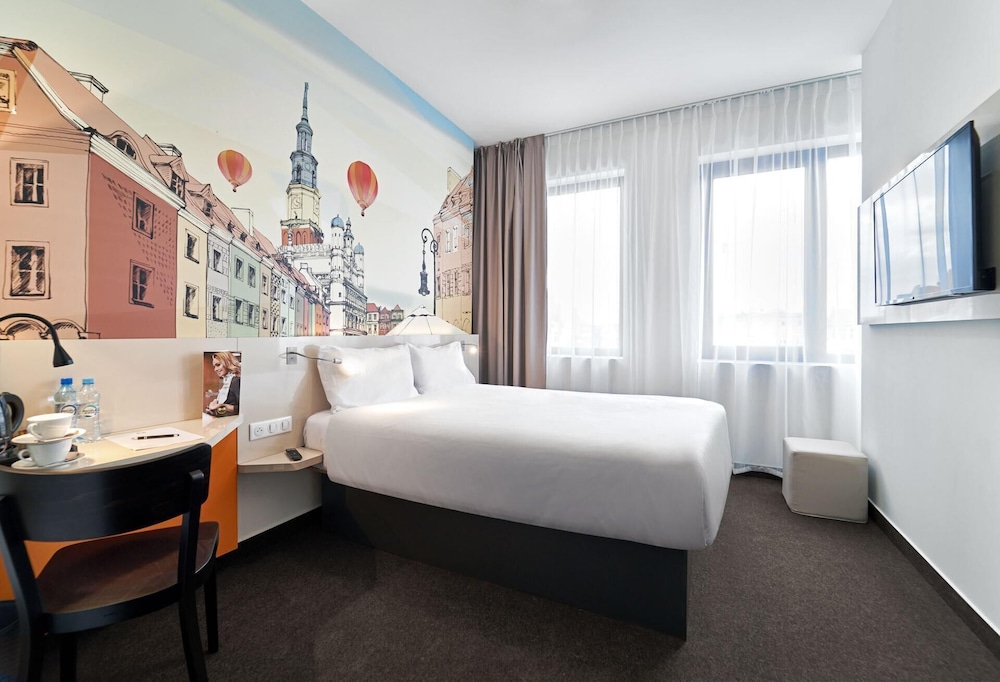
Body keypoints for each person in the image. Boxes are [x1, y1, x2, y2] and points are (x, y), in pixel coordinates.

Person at [205, 351, 241, 417]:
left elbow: (242, 408)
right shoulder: (227, 381)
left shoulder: (236, 381)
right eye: (214, 366)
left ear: (227, 363)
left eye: (218, 365)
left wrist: (220, 406)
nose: (215, 369)